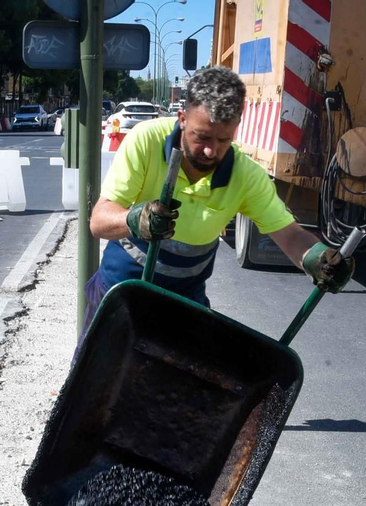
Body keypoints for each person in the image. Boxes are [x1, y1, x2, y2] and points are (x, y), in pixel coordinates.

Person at [84, 65, 352, 335]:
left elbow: (290, 235)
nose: (211, 151)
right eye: (202, 137)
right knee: (99, 375)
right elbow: (98, 221)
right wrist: (135, 218)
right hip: (121, 292)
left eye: (223, 139)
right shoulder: (146, 141)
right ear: (182, 119)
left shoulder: (245, 175)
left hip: (184, 305)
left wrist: (319, 258)